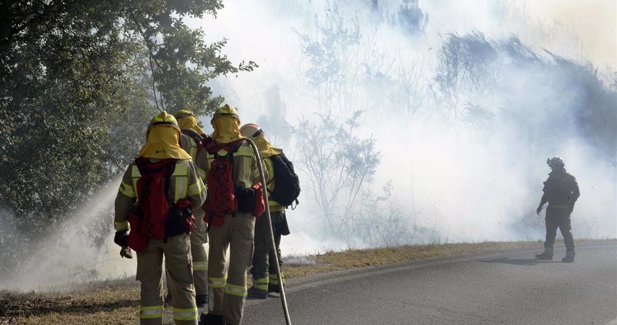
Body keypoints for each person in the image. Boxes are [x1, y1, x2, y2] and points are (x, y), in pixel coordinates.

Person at [113, 111, 207, 325]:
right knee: (183, 285)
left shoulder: (137, 165)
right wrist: (183, 207)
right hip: (176, 234)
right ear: (176, 135)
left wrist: (121, 229)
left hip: (146, 234)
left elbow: (122, 201)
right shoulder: (186, 164)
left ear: (150, 134)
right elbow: (200, 198)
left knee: (149, 286)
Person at [201, 105, 263, 325]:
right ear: (237, 123)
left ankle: (216, 313)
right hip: (245, 219)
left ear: (215, 123)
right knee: (238, 272)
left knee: (216, 268)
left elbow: (197, 184)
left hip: (218, 217)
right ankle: (233, 319)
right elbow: (261, 178)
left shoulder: (206, 149)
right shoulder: (249, 146)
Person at [239, 123, 290, 299]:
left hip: (265, 209)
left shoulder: (257, 155)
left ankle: (260, 287)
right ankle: (277, 284)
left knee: (261, 247)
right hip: (280, 210)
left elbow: (254, 180)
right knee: (274, 247)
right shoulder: (275, 153)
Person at [172, 109, 210, 312]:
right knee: (197, 245)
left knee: (177, 245)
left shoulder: (181, 139)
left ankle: (178, 292)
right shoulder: (204, 141)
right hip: (200, 200)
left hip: (180, 200)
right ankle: (202, 292)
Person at [535, 157, 580, 263]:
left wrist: (570, 206)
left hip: (563, 210)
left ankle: (570, 255)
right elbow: (546, 194)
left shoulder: (569, 178)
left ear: (559, 166)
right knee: (550, 232)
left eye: (553, 166)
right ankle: (548, 253)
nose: (551, 168)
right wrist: (540, 205)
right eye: (551, 166)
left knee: (566, 232)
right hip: (551, 209)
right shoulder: (551, 178)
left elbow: (576, 193)